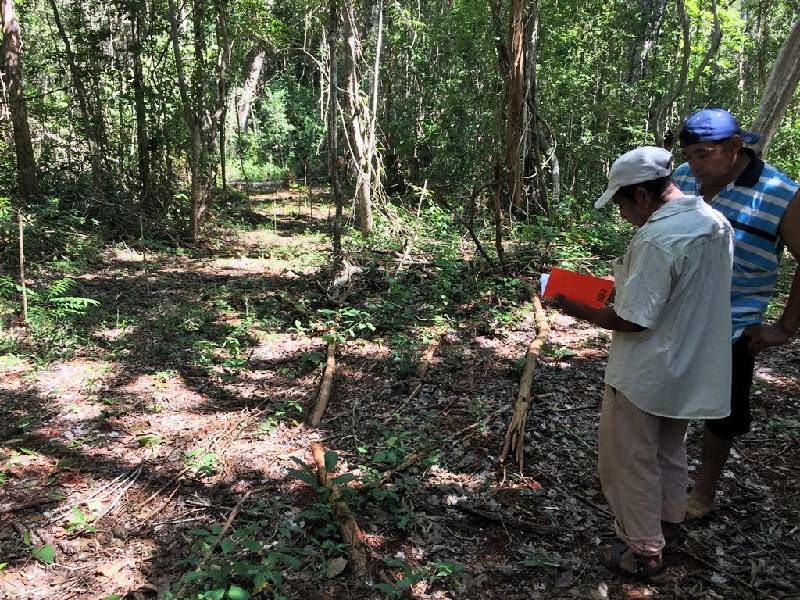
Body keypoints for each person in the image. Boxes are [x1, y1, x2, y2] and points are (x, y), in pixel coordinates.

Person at [553, 146, 734, 583]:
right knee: (669, 450)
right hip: (689, 369)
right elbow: (678, 294)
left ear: (641, 195)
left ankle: (643, 551)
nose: (621, 214)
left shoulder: (657, 238)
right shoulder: (713, 222)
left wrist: (572, 305)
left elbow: (633, 319)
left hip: (645, 373)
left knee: (629, 461)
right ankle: (668, 523)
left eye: (621, 203)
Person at [672, 108, 800, 519]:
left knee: (722, 413)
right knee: (663, 396)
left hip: (732, 323)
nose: (694, 165)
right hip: (676, 313)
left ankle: (703, 493)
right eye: (689, 154)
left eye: (703, 154)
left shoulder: (781, 193)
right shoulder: (683, 178)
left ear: (734, 146)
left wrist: (785, 326)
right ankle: (662, 477)